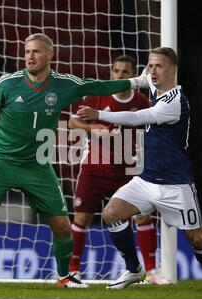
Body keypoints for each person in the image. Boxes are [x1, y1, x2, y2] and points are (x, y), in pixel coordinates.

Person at [0, 33, 149, 288]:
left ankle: (63, 277)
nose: (30, 56)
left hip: (37, 165)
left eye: (36, 51)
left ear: (49, 54)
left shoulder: (63, 85)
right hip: (1, 160)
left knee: (63, 227)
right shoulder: (8, 84)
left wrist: (136, 81)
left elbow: (98, 86)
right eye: (27, 51)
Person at [77, 47, 202, 290]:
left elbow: (138, 117)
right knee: (111, 213)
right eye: (150, 65)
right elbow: (135, 81)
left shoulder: (175, 102)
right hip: (146, 179)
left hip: (176, 183)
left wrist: (99, 113)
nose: (152, 70)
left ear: (173, 69)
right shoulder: (153, 85)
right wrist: (102, 86)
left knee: (196, 237)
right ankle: (133, 269)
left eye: (159, 66)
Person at [68, 55, 170, 285]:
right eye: (116, 71)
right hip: (95, 167)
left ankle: (151, 272)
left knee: (142, 216)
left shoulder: (143, 101)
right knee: (82, 217)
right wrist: (92, 127)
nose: (120, 75)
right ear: (111, 73)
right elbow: (73, 122)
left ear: (133, 75)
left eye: (125, 72)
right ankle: (73, 271)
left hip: (129, 169)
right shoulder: (98, 96)